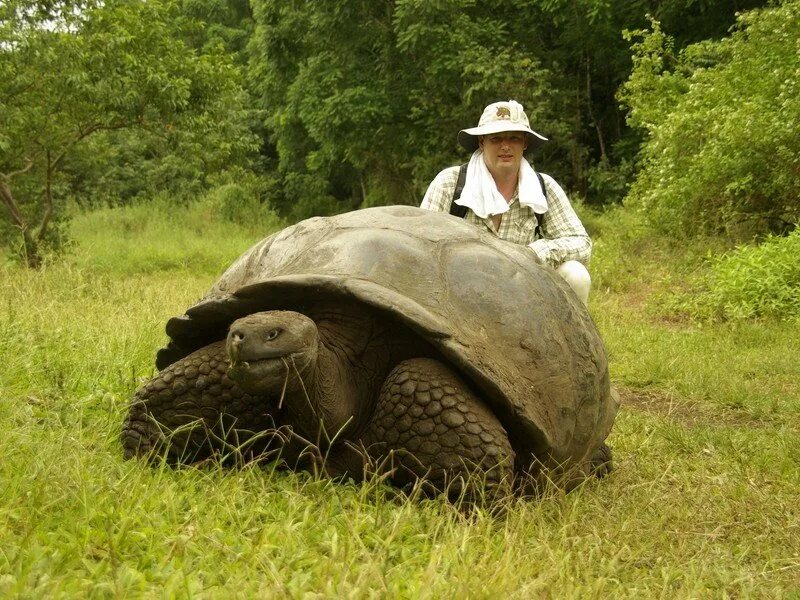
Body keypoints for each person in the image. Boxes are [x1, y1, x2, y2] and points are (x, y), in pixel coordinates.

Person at [420, 100, 592, 305]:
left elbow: (582, 243)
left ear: (525, 143)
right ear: (482, 142)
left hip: (523, 289)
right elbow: (420, 245)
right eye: (496, 139)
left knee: (576, 274)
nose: (505, 146)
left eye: (514, 138)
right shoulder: (450, 183)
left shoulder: (543, 187)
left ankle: (563, 338)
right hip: (460, 292)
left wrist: (536, 252)